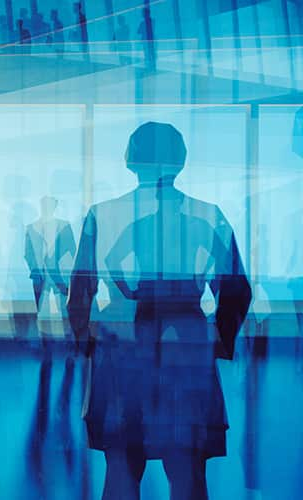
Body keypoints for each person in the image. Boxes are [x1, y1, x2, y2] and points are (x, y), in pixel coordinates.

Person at [71, 122, 249, 500]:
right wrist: (220, 338)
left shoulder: (103, 214)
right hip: (187, 339)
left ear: (129, 160)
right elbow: (236, 289)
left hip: (122, 339)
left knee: (121, 459)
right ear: (182, 160)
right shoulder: (208, 214)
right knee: (186, 461)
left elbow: (81, 289)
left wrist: (87, 339)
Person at [22, 196, 75, 337]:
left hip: (60, 276)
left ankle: (69, 347)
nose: (47, 207)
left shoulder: (64, 226)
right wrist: (36, 269)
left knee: (65, 312)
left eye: (50, 204)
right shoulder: (31, 228)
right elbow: (28, 254)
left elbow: (72, 251)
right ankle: (47, 351)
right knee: (42, 314)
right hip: (40, 276)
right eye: (44, 204)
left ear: (54, 207)